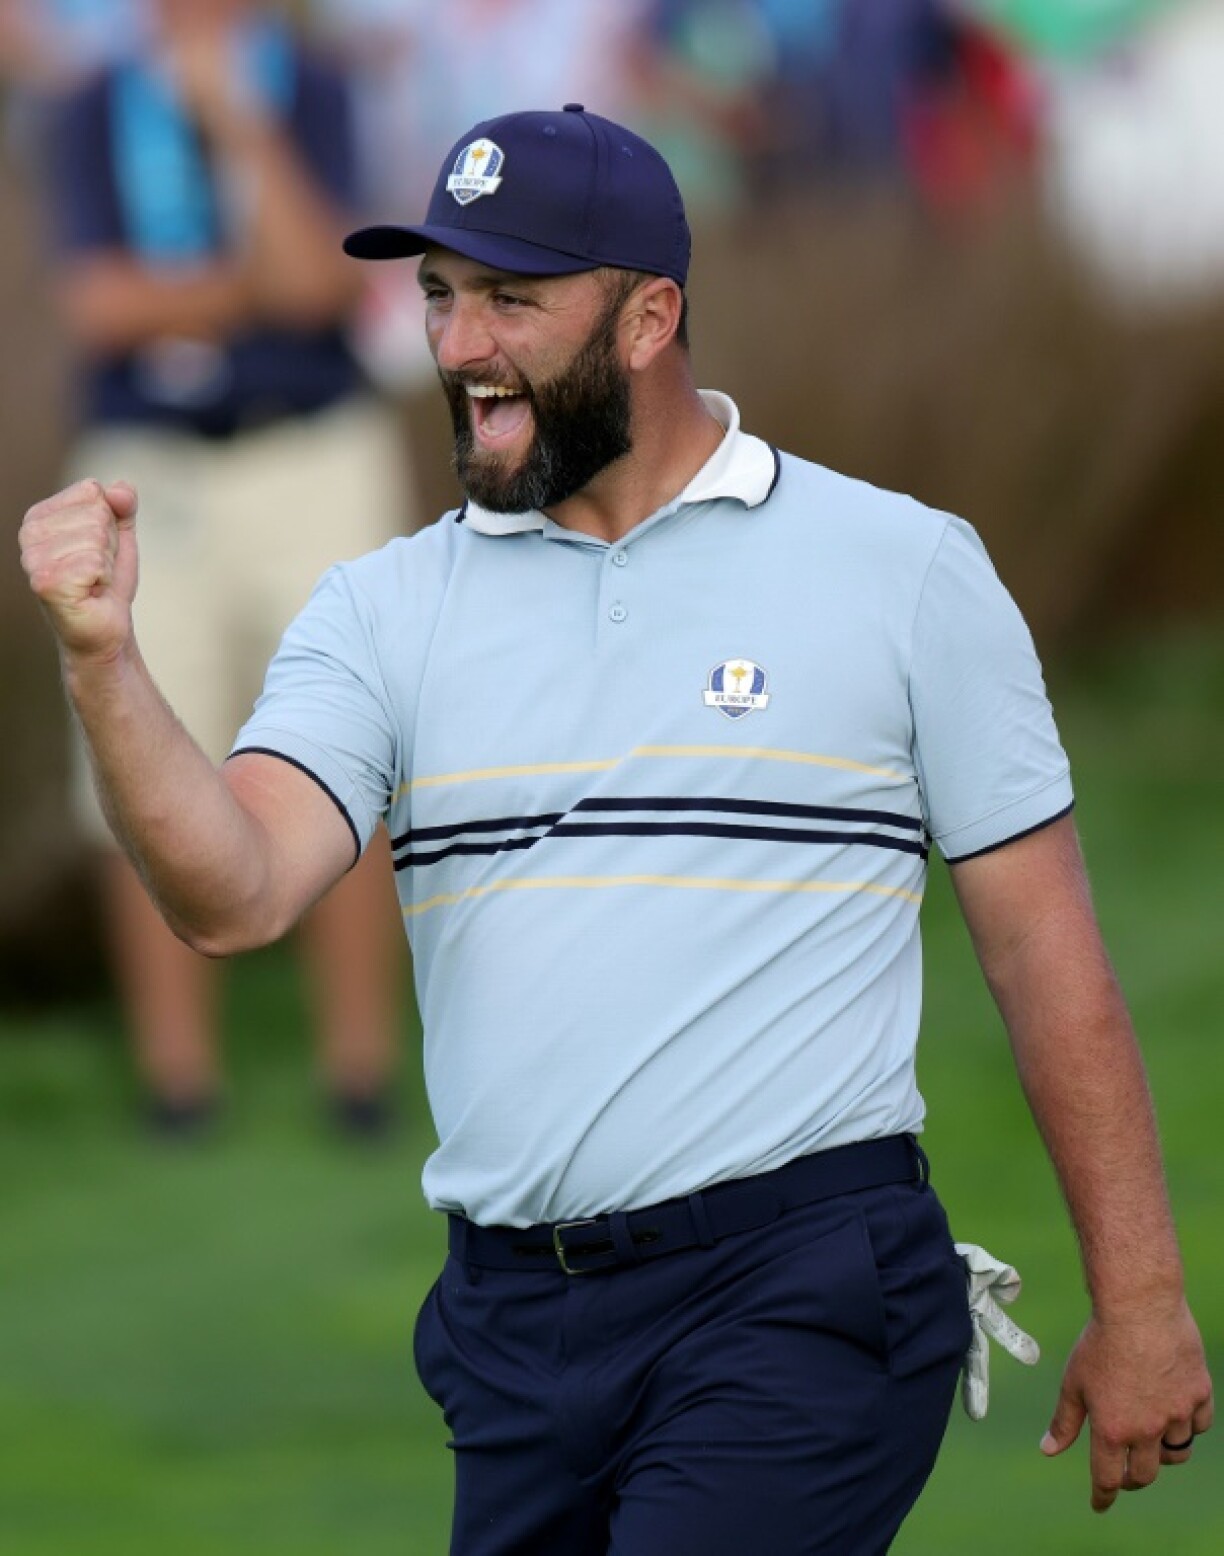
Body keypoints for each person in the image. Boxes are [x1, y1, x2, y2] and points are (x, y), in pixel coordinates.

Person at [20, 104, 1212, 1550]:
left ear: (651, 317)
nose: (460, 348)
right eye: (442, 298)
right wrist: (104, 660)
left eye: (512, 299)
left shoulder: (902, 572)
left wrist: (1142, 1302)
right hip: (510, 1331)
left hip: (798, 1293)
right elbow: (235, 890)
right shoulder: (381, 609)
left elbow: (1043, 955)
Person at [43, 0, 413, 1134]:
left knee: (352, 758)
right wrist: (251, 286)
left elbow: (322, 283)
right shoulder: (89, 105)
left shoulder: (313, 85)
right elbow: (95, 304)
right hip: (148, 467)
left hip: (311, 452)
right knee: (139, 753)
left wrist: (239, 128)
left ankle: (358, 1074)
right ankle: (178, 1083)